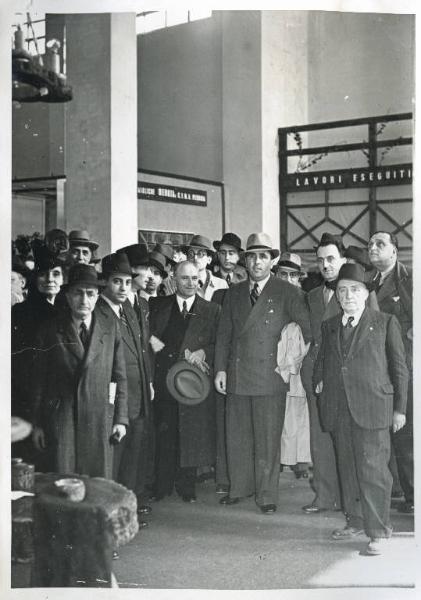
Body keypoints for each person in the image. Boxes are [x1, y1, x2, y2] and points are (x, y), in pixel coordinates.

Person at [314, 263, 408, 555]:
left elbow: (400, 369)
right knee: (348, 469)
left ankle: (379, 530)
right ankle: (354, 521)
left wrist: (400, 409)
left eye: (355, 290)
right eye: (342, 291)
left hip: (373, 407)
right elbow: (325, 360)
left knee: (374, 471)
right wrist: (319, 380)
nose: (348, 296)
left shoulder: (384, 322)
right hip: (340, 409)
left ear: (367, 293)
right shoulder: (330, 326)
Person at [214, 233, 311, 514]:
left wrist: (289, 363)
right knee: (238, 436)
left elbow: (306, 331)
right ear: (246, 260)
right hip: (237, 374)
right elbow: (224, 335)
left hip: (271, 376)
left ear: (272, 260)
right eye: (253, 256)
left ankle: (267, 495)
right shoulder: (233, 292)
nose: (257, 262)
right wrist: (220, 369)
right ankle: (240, 488)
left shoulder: (287, 292)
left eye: (263, 256)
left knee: (267, 439)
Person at [31, 263, 128, 478]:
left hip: (99, 419)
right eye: (78, 293)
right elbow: (39, 381)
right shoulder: (49, 330)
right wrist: (37, 424)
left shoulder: (110, 328)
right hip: (62, 420)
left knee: (97, 484)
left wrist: (120, 419)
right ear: (67, 296)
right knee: (65, 483)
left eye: (90, 294)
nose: (84, 300)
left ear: (97, 296)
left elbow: (119, 377)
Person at [149, 261, 220, 502]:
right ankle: (162, 484)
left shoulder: (211, 310)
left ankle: (186, 485)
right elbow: (149, 338)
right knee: (165, 430)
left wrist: (203, 353)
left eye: (194, 278)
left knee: (190, 432)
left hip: (192, 381)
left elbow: (218, 343)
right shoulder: (157, 306)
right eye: (184, 278)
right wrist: (163, 350)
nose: (190, 283)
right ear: (173, 279)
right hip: (163, 379)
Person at [96, 253, 154, 524]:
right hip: (116, 401)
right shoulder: (98, 312)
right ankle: (110, 519)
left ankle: (127, 514)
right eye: (116, 281)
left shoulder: (129, 310)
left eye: (127, 281)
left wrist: (148, 382)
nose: (122, 287)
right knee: (114, 464)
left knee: (133, 460)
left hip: (139, 396)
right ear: (105, 283)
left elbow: (141, 353)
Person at [299, 232, 346, 514]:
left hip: (343, 379)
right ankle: (324, 496)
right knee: (319, 438)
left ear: (342, 259)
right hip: (314, 377)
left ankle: (348, 496)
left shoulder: (356, 292)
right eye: (321, 260)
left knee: (345, 438)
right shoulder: (313, 296)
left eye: (331, 258)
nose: (326, 265)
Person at [368, 231, 413, 514]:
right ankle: (397, 490)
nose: (372, 248)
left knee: (405, 435)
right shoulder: (369, 283)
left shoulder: (409, 279)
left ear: (394, 251)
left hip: (404, 369)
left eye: (379, 244)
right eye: (370, 245)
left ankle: (413, 497)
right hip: (377, 368)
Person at [275, 253, 311, 479]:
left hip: (297, 365)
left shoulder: (305, 299)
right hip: (272, 365)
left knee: (298, 415)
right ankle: (280, 458)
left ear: (299, 277)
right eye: (283, 274)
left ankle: (299, 461)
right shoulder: (268, 297)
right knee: (276, 416)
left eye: (293, 275)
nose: (288, 279)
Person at [184, 234, 228, 300]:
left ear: (209, 259)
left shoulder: (221, 285)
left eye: (200, 254)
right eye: (191, 254)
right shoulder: (179, 283)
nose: (195, 258)